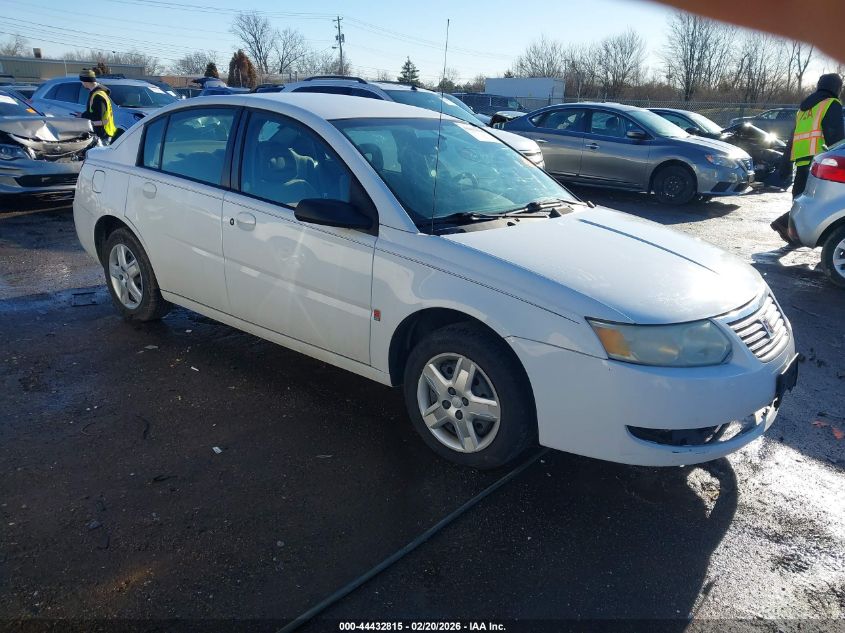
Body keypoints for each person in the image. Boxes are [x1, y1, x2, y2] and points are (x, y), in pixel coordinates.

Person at [770, 73, 843, 242]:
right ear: (836, 88)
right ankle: (785, 225)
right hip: (821, 160)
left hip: (802, 160)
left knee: (802, 196)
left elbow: (792, 138)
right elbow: (835, 136)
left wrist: (785, 164)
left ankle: (787, 229)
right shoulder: (831, 104)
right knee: (820, 201)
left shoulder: (803, 109)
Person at [79, 69, 117, 144]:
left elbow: (98, 116)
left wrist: (83, 115)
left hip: (102, 134)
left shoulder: (98, 96)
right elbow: (95, 112)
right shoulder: (98, 93)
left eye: (82, 81)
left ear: (86, 81)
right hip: (103, 132)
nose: (82, 83)